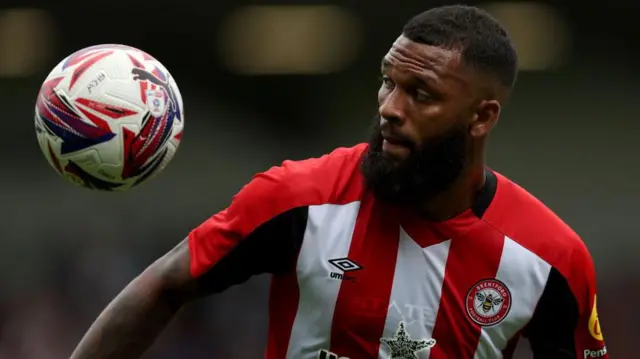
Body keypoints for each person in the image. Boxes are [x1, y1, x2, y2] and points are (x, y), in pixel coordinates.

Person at [70, 5, 609, 359]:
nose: (390, 109)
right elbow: (164, 284)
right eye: (386, 82)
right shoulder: (298, 198)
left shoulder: (550, 258)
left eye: (420, 94)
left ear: (482, 117)